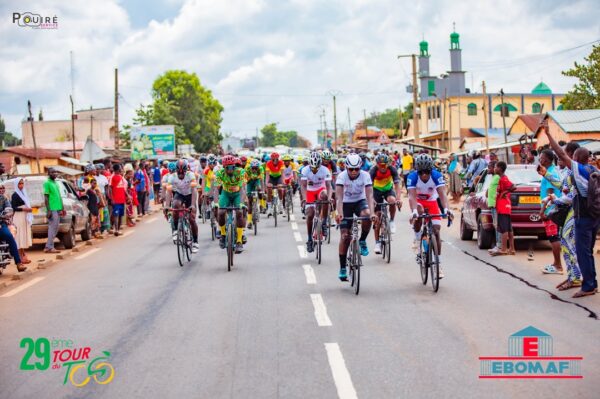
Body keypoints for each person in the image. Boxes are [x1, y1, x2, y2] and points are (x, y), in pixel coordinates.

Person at [542, 123, 600, 298]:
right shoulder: (593, 169)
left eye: (569, 155)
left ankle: (585, 283)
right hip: (594, 216)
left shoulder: (579, 169)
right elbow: (566, 189)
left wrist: (548, 134)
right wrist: (546, 175)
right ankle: (589, 282)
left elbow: (559, 153)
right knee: (586, 251)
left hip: (581, 216)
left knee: (580, 250)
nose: (564, 158)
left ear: (575, 157)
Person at [407, 154, 453, 278]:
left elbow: (442, 194)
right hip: (418, 202)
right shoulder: (412, 176)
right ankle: (417, 238)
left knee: (437, 231)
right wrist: (414, 211)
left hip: (432, 202)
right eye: (421, 172)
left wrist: (447, 209)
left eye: (427, 172)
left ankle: (438, 263)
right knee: (419, 212)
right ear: (418, 171)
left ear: (430, 170)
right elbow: (411, 196)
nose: (424, 175)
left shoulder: (437, 175)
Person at [335, 153, 376, 281]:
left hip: (360, 201)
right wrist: (339, 213)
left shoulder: (365, 175)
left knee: (367, 215)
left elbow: (369, 196)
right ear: (346, 167)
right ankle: (342, 268)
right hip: (345, 204)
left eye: (356, 169)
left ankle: (362, 240)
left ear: (360, 167)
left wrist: (373, 213)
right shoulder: (341, 177)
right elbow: (339, 198)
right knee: (345, 236)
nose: (353, 172)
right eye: (350, 169)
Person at [370, 153, 402, 254]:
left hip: (388, 189)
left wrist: (398, 198)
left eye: (384, 165)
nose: (382, 167)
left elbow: (397, 185)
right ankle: (377, 243)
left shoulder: (392, 169)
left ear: (388, 164)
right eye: (380, 165)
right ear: (377, 164)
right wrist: (371, 199)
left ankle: (392, 221)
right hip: (376, 191)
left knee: (392, 201)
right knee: (377, 217)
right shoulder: (373, 171)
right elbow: (368, 188)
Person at [537, 149, 563, 274]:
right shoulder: (551, 171)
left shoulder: (549, 172)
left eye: (541, 157)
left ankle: (558, 265)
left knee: (553, 237)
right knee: (553, 237)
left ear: (547, 159)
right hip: (552, 209)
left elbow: (550, 193)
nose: (539, 159)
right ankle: (555, 263)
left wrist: (543, 211)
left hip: (551, 210)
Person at [165, 159, 200, 253]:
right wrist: (167, 206)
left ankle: (196, 242)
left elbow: (194, 191)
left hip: (190, 195)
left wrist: (192, 205)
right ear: (176, 171)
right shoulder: (172, 177)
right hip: (179, 194)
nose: (180, 176)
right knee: (175, 206)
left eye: (182, 174)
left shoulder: (190, 175)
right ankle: (176, 229)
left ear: (185, 171)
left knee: (192, 219)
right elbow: (168, 191)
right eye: (179, 173)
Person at [213, 155, 246, 253]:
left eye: (233, 167)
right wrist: (216, 203)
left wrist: (241, 203)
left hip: (237, 194)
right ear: (224, 167)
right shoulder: (219, 173)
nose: (231, 169)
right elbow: (216, 190)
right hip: (225, 194)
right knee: (221, 212)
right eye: (228, 167)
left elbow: (243, 190)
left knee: (240, 212)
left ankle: (239, 241)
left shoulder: (240, 172)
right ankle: (223, 235)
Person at [301, 152, 332, 253]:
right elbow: (303, 186)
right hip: (310, 191)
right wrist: (304, 199)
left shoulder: (325, 170)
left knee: (325, 197)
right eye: (313, 168)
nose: (314, 170)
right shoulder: (305, 170)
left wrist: (330, 198)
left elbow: (328, 186)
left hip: (320, 189)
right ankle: (310, 239)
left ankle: (324, 222)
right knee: (310, 214)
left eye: (317, 168)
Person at [490, 161, 516, 256]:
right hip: (506, 206)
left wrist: (505, 193)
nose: (494, 169)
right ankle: (512, 249)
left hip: (503, 206)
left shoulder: (503, 179)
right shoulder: (501, 178)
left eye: (496, 167)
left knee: (503, 228)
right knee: (509, 229)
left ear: (500, 169)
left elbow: (513, 187)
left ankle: (504, 249)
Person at [0, 183, 26, 272]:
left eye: (1, 188)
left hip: (1, 224)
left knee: (10, 237)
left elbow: (9, 209)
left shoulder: (3, 198)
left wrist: (6, 215)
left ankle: (18, 263)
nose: (1, 190)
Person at [10, 178, 32, 264]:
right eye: (19, 184)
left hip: (24, 217)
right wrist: (24, 209)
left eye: (22, 184)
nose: (21, 185)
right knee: (19, 236)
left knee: (23, 236)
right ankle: (20, 257)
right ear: (16, 185)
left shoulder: (24, 193)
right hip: (18, 217)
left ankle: (23, 255)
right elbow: (14, 208)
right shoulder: (15, 195)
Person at [43, 168, 66, 253]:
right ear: (48, 173)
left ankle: (48, 246)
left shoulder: (55, 183)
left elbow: (59, 196)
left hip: (57, 208)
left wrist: (62, 207)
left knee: (55, 228)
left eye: (56, 172)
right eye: (53, 172)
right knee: (52, 228)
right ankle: (49, 247)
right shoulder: (47, 183)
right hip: (52, 208)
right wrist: (48, 210)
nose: (55, 173)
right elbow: (46, 197)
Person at [108, 164, 129, 236]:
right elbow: (110, 188)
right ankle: (115, 229)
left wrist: (127, 195)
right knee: (116, 215)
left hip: (122, 199)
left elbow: (123, 188)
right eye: (120, 168)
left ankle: (118, 229)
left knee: (120, 215)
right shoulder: (112, 177)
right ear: (117, 169)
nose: (121, 169)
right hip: (116, 200)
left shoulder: (120, 177)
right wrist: (112, 199)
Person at [486, 161, 502, 254]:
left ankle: (499, 246)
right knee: (496, 225)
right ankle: (497, 245)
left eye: (490, 167)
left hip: (496, 205)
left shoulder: (498, 178)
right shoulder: (493, 178)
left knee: (497, 225)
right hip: (492, 205)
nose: (488, 169)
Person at [245, 159, 264, 230]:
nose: (254, 170)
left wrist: (263, 191)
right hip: (249, 182)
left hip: (257, 181)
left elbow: (262, 180)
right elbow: (245, 180)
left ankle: (261, 205)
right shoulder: (247, 169)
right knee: (250, 201)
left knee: (259, 189)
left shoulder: (261, 169)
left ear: (258, 167)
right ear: (251, 167)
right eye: (253, 168)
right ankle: (249, 221)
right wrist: (250, 178)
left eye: (256, 168)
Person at [265, 152, 285, 217]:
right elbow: (267, 175)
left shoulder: (281, 162)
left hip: (279, 177)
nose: (275, 161)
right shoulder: (268, 163)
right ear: (271, 159)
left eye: (276, 159)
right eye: (273, 159)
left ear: (278, 159)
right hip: (271, 178)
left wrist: (283, 182)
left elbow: (282, 174)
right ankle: (269, 207)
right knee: (269, 189)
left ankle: (281, 205)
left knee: (280, 188)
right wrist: (267, 183)